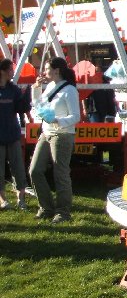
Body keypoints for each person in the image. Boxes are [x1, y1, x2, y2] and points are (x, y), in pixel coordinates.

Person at [29, 57, 81, 223]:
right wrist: (36, 88)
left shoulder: (70, 90)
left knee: (60, 173)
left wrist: (58, 121)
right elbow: (39, 106)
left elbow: (76, 116)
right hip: (46, 132)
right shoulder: (50, 86)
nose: (44, 72)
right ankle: (46, 207)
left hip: (62, 134)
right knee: (35, 170)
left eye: (47, 69)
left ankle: (63, 212)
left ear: (57, 70)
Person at [0, 59, 31, 210]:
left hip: (12, 135)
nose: (13, 72)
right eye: (10, 69)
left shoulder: (14, 89)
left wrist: (29, 93)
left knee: (18, 168)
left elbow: (21, 108)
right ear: (3, 71)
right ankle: (3, 200)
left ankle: (21, 199)